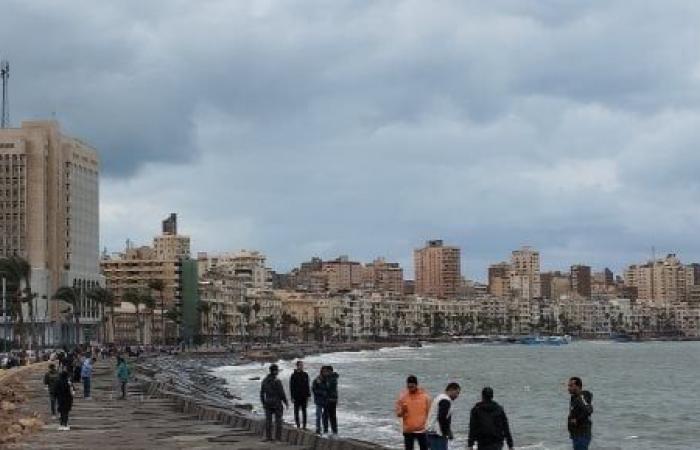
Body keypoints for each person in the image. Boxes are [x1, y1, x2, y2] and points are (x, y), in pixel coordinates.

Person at [395, 375, 431, 450]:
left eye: (412, 386)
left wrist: (429, 427)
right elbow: (398, 414)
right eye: (409, 386)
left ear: (416, 385)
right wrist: (403, 410)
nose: (410, 388)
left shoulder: (425, 396)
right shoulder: (402, 396)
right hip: (408, 430)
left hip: (422, 430)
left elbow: (430, 413)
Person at [426, 382, 461, 450]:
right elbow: (442, 418)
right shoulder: (445, 400)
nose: (457, 396)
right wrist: (447, 432)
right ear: (451, 390)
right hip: (437, 434)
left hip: (431, 431)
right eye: (457, 393)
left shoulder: (440, 397)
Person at [260, 364, 288, 441]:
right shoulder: (277, 381)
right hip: (276, 403)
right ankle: (278, 438)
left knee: (268, 421)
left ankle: (268, 437)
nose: (278, 372)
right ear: (275, 371)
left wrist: (263, 403)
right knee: (278, 421)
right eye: (277, 370)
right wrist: (286, 402)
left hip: (267, 402)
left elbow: (262, 393)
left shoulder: (264, 381)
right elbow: (281, 393)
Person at [567, 377, 593, 450]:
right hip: (576, 435)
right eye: (568, 386)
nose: (568, 388)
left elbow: (589, 410)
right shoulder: (574, 398)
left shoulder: (581, 397)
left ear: (578, 386)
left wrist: (577, 420)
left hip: (582, 435)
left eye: (571, 386)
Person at [289, 360, 311, 429]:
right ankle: (298, 425)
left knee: (304, 411)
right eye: (300, 365)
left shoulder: (305, 374)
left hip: (304, 396)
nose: (302, 366)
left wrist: (308, 395)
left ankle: (304, 426)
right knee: (296, 411)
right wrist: (292, 397)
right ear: (297, 366)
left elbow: (307, 385)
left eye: (302, 365)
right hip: (296, 396)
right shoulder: (293, 375)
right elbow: (291, 387)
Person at [312, 366, 330, 435]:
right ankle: (318, 429)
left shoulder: (328, 380)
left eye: (326, 371)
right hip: (319, 400)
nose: (325, 373)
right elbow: (314, 389)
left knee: (325, 416)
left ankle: (326, 430)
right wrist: (322, 393)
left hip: (326, 401)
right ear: (321, 372)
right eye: (324, 371)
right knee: (318, 416)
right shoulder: (317, 380)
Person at [325, 365, 339, 437]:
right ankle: (334, 431)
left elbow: (328, 387)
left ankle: (334, 431)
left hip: (332, 399)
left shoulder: (332, 379)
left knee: (331, 416)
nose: (325, 373)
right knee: (331, 416)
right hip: (331, 399)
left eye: (327, 371)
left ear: (330, 371)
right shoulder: (331, 378)